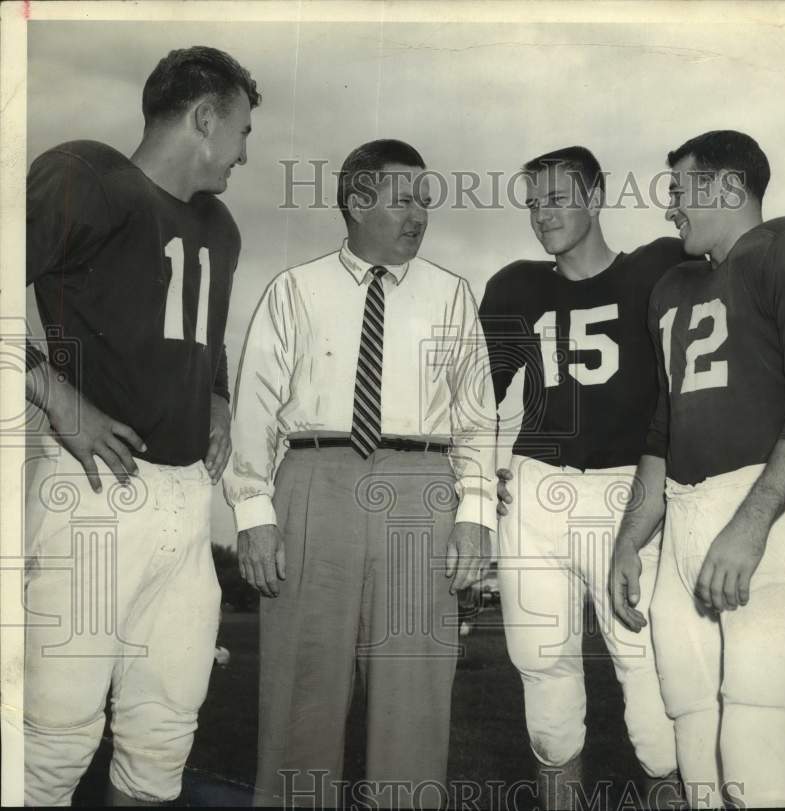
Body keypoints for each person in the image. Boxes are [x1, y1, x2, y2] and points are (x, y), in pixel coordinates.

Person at [223, 139, 497, 808]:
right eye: (405, 199)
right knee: (299, 695)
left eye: (425, 202)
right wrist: (255, 517)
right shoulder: (294, 289)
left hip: (421, 490)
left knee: (414, 702)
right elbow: (253, 409)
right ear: (357, 200)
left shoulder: (451, 295)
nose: (419, 215)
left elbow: (477, 418)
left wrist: (476, 516)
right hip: (315, 481)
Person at [22, 46, 259, 806]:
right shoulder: (84, 176)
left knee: (162, 737)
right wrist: (55, 393)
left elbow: (202, 336)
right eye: (243, 131)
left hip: (187, 504)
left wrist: (218, 396)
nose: (245, 154)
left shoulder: (219, 225)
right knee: (53, 739)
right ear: (205, 117)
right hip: (95, 490)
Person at [609, 130, 785, 808]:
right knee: (698, 764)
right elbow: (663, 427)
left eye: (681, 191)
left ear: (727, 187)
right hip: (680, 522)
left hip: (764, 513)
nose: (671, 210)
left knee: (758, 757)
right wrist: (632, 538)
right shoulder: (671, 287)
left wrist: (748, 528)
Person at [479, 146, 688, 810]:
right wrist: (481, 470)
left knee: (653, 684)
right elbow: (473, 398)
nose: (543, 215)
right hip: (537, 488)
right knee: (545, 679)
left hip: (630, 493)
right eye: (533, 202)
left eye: (558, 198)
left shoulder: (658, 267)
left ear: (595, 197)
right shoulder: (515, 285)